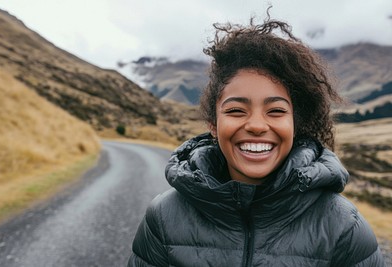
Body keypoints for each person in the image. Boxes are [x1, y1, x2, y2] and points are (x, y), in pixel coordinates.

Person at [127, 14, 386, 267]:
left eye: (276, 111)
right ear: (213, 126)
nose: (256, 126)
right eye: (236, 110)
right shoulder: (162, 218)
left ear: (296, 125)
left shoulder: (344, 227)